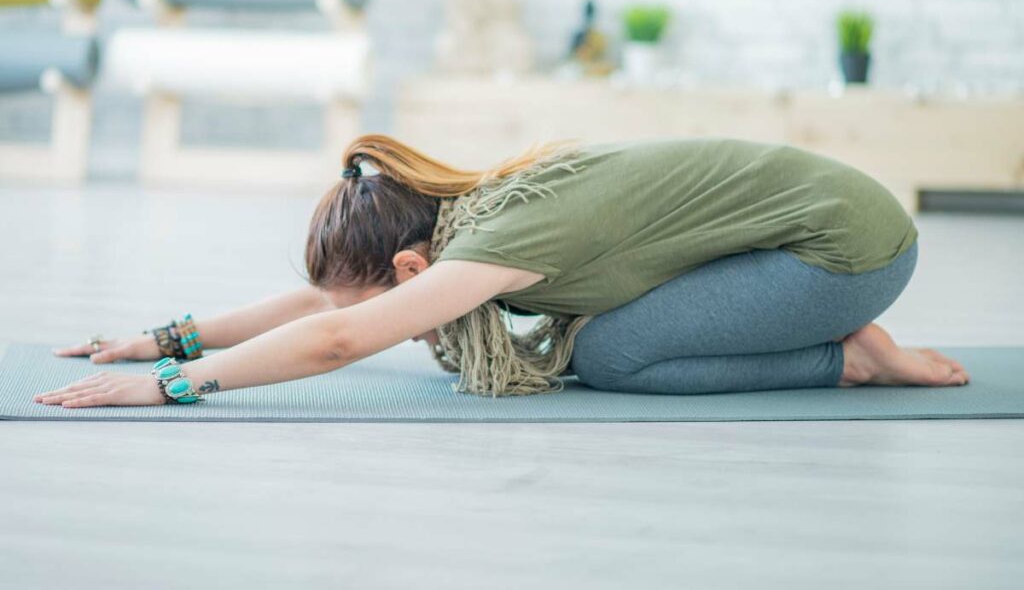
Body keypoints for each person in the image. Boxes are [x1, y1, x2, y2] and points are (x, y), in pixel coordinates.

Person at [35, 134, 968, 409]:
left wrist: (171, 386)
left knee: (612, 355)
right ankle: (832, 336)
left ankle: (849, 359)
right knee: (608, 347)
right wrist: (166, 336)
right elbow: (329, 305)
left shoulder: (497, 240)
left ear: (410, 264)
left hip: (846, 253)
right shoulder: (459, 220)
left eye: (386, 289)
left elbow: (340, 336)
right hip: (804, 234)